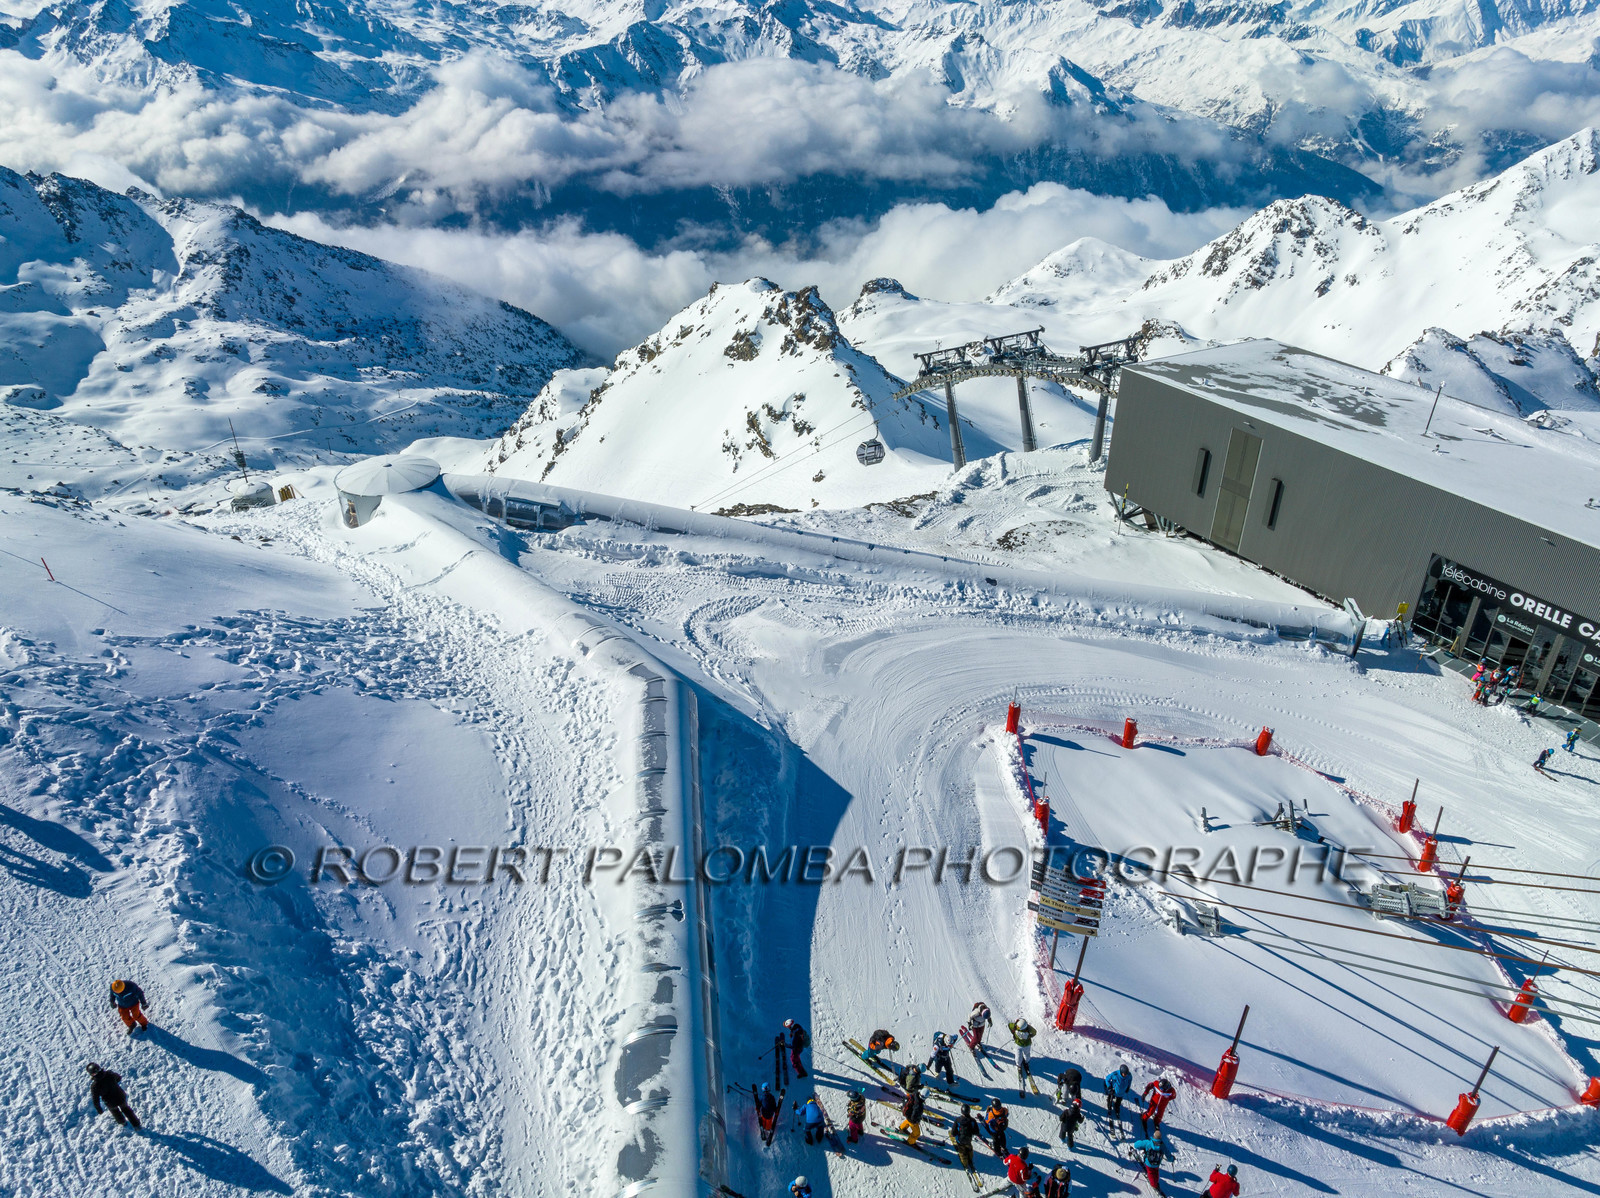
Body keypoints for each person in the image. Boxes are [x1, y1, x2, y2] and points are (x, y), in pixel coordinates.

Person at [86, 1063, 140, 1130]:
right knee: (127, 1109)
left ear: (92, 1074)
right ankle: (136, 1124)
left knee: (115, 1112)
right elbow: (119, 1078)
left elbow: (95, 1099)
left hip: (110, 1102)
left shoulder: (94, 1086)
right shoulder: (109, 1074)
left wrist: (99, 1110)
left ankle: (122, 1122)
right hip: (120, 1096)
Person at [1132, 1128, 1172, 1195]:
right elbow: (1168, 1155)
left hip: (1149, 1163)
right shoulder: (1162, 1146)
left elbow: (1136, 1145)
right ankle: (1155, 1181)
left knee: (1150, 1173)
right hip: (1157, 1163)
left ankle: (1154, 1184)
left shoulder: (1148, 1143)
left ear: (1153, 1136)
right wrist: (1172, 1159)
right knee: (1156, 1171)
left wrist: (1138, 1142)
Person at [949, 1103, 981, 1172]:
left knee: (962, 1153)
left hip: (960, 1140)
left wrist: (953, 1135)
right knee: (969, 1149)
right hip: (968, 1140)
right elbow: (976, 1132)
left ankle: (965, 1164)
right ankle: (970, 1159)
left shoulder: (958, 1120)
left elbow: (953, 1132)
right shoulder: (972, 1121)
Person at [1009, 1019, 1036, 1094]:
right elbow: (1034, 1032)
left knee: (1018, 1055)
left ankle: (1018, 1065)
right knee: (1027, 1054)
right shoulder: (1027, 1030)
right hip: (1027, 1045)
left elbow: (1010, 1025)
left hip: (1018, 1045)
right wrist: (1030, 1035)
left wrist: (1013, 1030)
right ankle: (1027, 1062)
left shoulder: (1016, 1028)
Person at [1104, 1064, 1132, 1130]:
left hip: (1121, 1093)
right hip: (1114, 1091)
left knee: (1118, 1102)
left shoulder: (1129, 1075)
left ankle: (1117, 1109)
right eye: (1124, 1074)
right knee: (1110, 1100)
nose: (1125, 1075)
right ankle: (1109, 1107)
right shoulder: (1115, 1074)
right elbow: (1107, 1079)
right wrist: (1109, 1087)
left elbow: (1129, 1081)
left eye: (1126, 1074)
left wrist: (1128, 1087)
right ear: (1121, 1072)